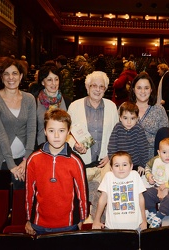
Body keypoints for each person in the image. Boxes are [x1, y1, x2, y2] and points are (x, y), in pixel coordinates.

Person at [25, 109, 89, 235]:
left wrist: (82, 218)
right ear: (44, 131)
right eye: (51, 131)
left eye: (61, 131)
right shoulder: (34, 159)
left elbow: (82, 193)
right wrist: (28, 218)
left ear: (68, 132)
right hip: (40, 224)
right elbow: (29, 192)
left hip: (68, 224)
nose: (56, 136)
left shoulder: (75, 161)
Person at [67, 71, 118, 220]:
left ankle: (102, 228)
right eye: (94, 85)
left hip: (105, 164)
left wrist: (111, 155)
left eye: (101, 86)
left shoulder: (112, 106)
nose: (97, 89)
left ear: (105, 88)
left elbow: (116, 133)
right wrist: (75, 145)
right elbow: (68, 132)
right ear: (87, 87)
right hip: (82, 163)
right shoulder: (74, 106)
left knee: (104, 201)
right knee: (81, 202)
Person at [0, 57, 36, 190]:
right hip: (0, 157)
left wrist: (26, 159)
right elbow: (0, 135)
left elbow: (31, 130)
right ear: (1, 77)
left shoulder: (29, 99)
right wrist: (11, 165)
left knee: (28, 189)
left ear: (21, 76)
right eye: (6, 74)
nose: (10, 77)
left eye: (14, 73)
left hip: (23, 157)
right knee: (9, 190)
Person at [92, 151, 147, 230]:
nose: (121, 168)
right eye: (117, 165)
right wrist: (97, 220)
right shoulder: (108, 176)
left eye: (124, 165)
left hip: (135, 226)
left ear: (131, 166)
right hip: (112, 227)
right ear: (111, 168)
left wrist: (144, 220)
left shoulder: (135, 175)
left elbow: (141, 199)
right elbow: (102, 200)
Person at [143, 138, 169, 228]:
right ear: (159, 153)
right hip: (158, 187)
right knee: (145, 193)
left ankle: (159, 216)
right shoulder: (155, 160)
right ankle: (152, 212)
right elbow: (147, 166)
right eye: (164, 152)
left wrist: (167, 185)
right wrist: (148, 175)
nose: (167, 156)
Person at [130, 72, 169, 159]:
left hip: (154, 159)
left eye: (146, 88)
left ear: (151, 90)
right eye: (139, 88)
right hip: (129, 157)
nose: (143, 91)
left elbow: (165, 139)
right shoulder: (125, 108)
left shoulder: (159, 110)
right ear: (133, 89)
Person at [108, 101, 149, 173]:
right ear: (120, 118)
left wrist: (142, 165)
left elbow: (144, 149)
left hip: (135, 164)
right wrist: (113, 163)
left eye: (132, 118)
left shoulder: (139, 129)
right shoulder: (117, 128)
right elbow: (112, 147)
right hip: (119, 163)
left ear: (137, 119)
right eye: (125, 118)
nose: (129, 122)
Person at [35, 64, 71, 146]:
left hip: (62, 147)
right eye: (49, 80)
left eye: (56, 79)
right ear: (42, 82)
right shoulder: (34, 102)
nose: (54, 83)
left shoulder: (67, 101)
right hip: (41, 147)